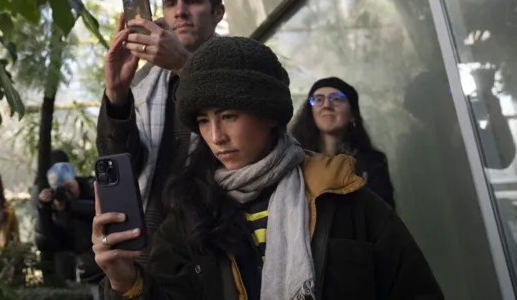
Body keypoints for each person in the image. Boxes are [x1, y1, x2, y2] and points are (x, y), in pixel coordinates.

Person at [93, 36, 443, 300]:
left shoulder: (341, 196)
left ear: (270, 114)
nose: (216, 136)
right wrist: (125, 282)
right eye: (202, 120)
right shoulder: (191, 213)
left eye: (229, 116)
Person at [96, 0, 225, 257]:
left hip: (216, 239)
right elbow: (121, 163)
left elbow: (242, 137)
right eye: (170, 3)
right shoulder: (144, 80)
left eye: (192, 0)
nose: (180, 11)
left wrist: (184, 65)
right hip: (149, 244)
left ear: (218, 12)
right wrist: (116, 96)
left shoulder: (246, 61)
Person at [291, 77, 396, 208]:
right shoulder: (293, 160)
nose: (326, 105)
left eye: (336, 99)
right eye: (318, 99)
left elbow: (385, 220)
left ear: (353, 114)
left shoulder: (372, 163)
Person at [35, 162, 103, 294]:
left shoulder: (93, 188)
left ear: (75, 180)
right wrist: (44, 210)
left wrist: (71, 206)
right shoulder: (56, 210)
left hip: (102, 268)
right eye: (60, 189)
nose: (67, 193)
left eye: (69, 186)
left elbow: (102, 211)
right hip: (78, 273)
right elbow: (45, 242)